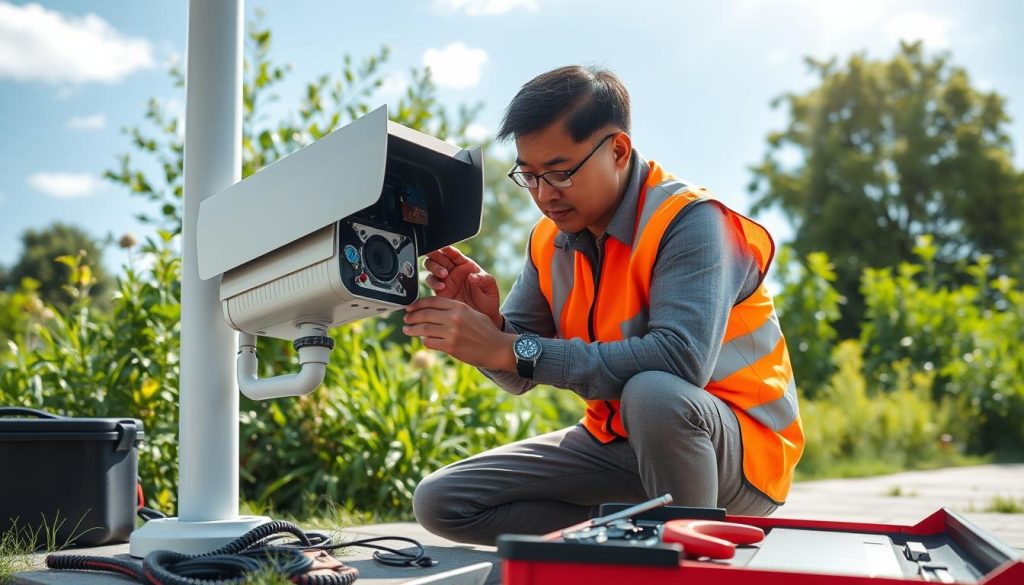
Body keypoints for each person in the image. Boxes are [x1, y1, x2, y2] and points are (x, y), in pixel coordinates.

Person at [402, 65, 804, 546]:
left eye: (561, 172)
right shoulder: (550, 240)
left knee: (654, 392)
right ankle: (621, 536)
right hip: (618, 446)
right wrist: (489, 324)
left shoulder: (692, 222)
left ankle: (686, 556)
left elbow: (679, 361)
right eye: (528, 176)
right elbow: (518, 372)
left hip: (731, 456)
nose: (545, 195)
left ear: (617, 150)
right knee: (443, 501)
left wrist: (509, 349)